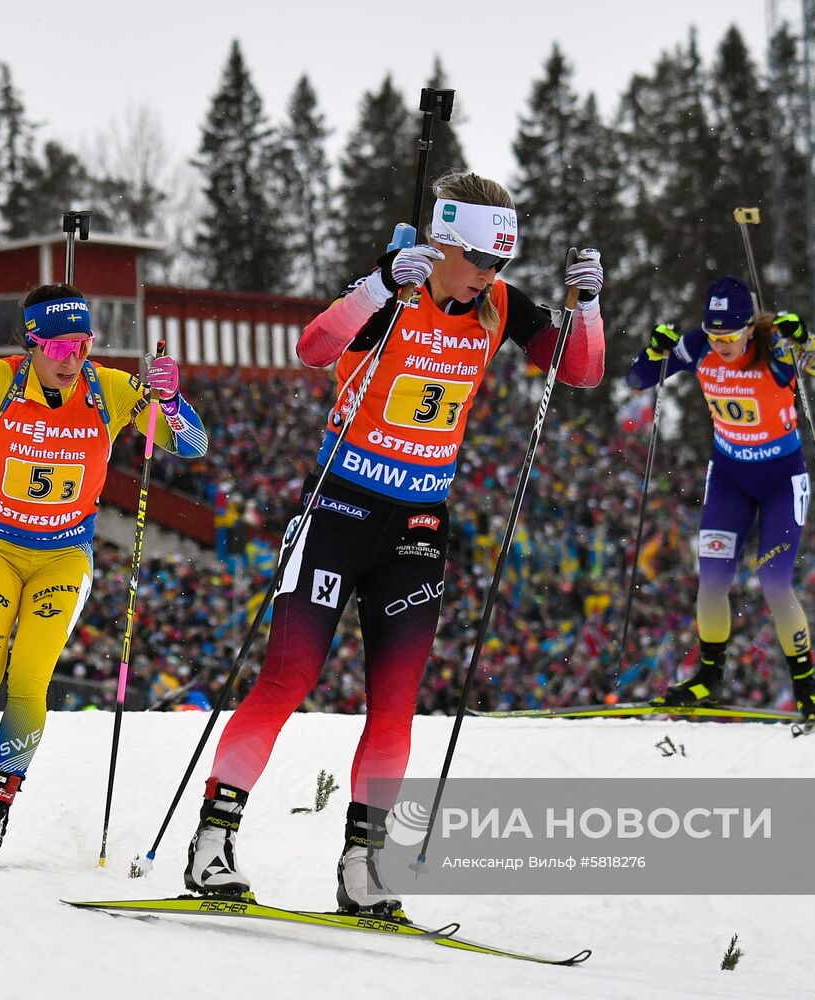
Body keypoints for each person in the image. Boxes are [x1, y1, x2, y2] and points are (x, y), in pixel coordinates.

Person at [183, 171, 607, 915]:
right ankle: (213, 840)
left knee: (396, 703)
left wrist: (589, 308)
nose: (487, 276)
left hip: (416, 526)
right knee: (288, 678)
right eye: (477, 258)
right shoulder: (398, 291)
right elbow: (315, 349)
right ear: (443, 241)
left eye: (500, 263)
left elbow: (581, 369)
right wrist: (376, 285)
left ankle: (364, 866)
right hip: (340, 508)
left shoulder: (500, 306)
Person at [0, 282, 208, 865]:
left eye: (83, 344)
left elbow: (192, 445)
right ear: (32, 343)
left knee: (30, 681)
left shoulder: (110, 389)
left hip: (64, 557)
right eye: (60, 346)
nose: (73, 358)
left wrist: (172, 402)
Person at [625, 274, 815, 723]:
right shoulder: (699, 346)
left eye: (729, 335)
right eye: (714, 335)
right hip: (729, 476)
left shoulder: (776, 348)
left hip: (780, 480)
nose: (721, 344)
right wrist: (654, 351)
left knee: (774, 582)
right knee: (711, 579)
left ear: (750, 327)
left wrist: (808, 342)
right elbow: (638, 379)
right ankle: (708, 676)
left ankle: (807, 688)